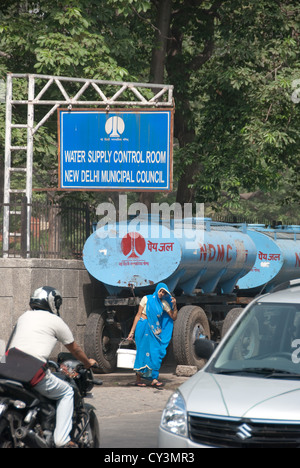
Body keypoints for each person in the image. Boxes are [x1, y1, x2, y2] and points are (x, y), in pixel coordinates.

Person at [8, 286, 97, 448]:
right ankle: (62, 440)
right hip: (32, 370)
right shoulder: (56, 321)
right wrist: (88, 363)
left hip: (7, 366)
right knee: (66, 392)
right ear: (53, 302)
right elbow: (75, 349)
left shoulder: (24, 317)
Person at [127, 282, 177, 388]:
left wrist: (175, 306)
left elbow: (173, 317)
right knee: (142, 351)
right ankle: (138, 379)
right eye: (161, 291)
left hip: (154, 331)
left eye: (164, 292)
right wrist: (131, 332)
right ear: (157, 290)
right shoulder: (146, 299)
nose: (162, 293)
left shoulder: (163, 304)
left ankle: (154, 379)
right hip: (142, 327)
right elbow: (138, 315)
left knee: (156, 352)